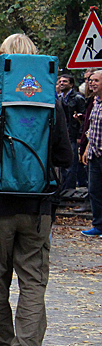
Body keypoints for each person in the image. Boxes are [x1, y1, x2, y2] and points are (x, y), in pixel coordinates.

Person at [0, 33, 72, 346]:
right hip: (38, 207)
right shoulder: (52, 102)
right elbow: (65, 157)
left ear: (2, 61)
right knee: (33, 280)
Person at [80, 70, 102, 236]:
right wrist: (87, 148)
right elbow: (91, 128)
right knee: (95, 191)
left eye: (96, 80)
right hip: (94, 154)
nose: (92, 83)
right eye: (90, 81)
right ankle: (98, 225)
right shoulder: (95, 102)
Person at [57, 74, 87, 191]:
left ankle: (69, 189)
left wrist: (80, 135)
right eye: (60, 81)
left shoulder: (78, 98)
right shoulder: (60, 98)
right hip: (64, 134)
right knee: (63, 163)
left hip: (73, 134)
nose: (61, 83)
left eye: (65, 81)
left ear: (71, 84)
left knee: (72, 163)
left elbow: (84, 118)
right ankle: (64, 189)